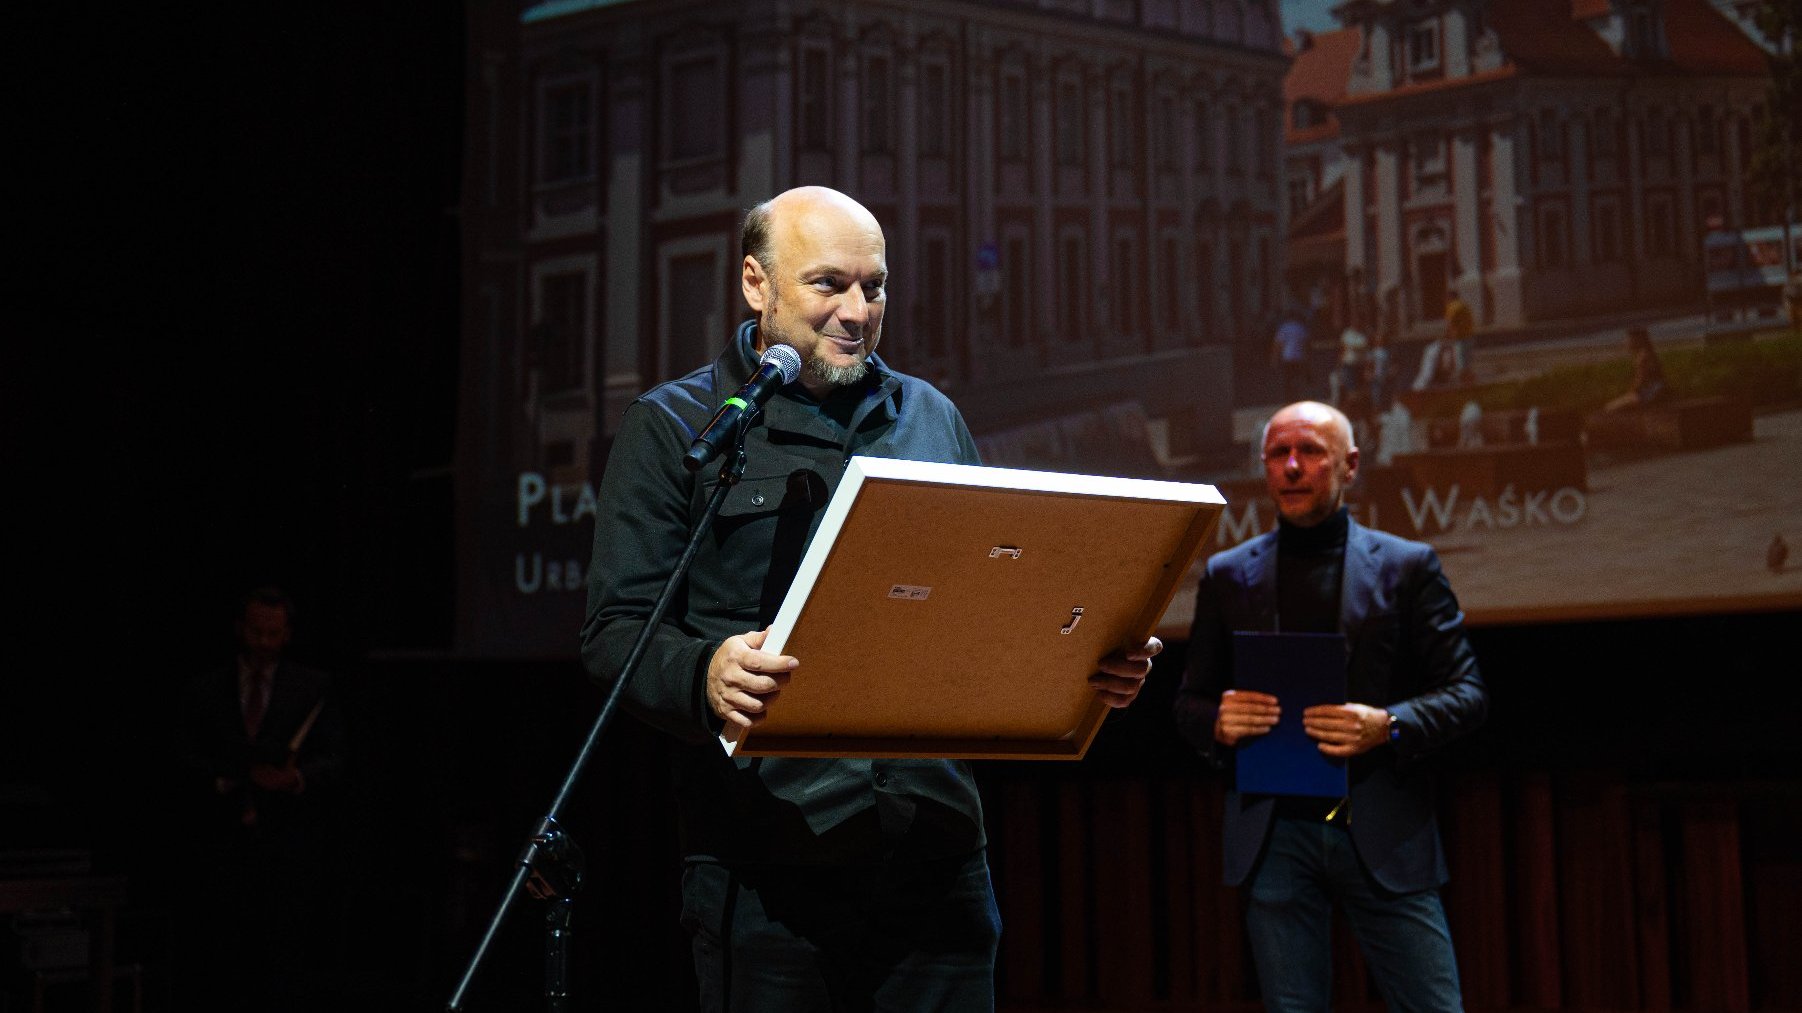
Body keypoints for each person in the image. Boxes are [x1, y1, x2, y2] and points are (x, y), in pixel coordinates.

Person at [580, 185, 1160, 1011]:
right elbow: (614, 632)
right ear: (756, 283)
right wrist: (703, 672)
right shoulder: (676, 426)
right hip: (767, 864)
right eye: (828, 284)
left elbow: (992, 608)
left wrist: (1087, 657)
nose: (857, 310)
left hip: (938, 858)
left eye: (875, 286)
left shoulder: (932, 418)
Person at [1175, 401, 1488, 1012]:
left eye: (1311, 452)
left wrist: (1390, 725)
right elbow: (1188, 703)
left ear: (1350, 466)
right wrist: (1216, 721)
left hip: (1381, 827)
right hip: (1275, 834)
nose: (1293, 467)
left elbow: (1468, 692)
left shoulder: (1407, 566)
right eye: (1278, 454)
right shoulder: (1227, 574)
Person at [177, 585, 348, 1012]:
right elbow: (183, 757)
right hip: (220, 846)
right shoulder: (206, 688)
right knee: (220, 957)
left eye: (273, 634)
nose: (264, 643)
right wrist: (227, 779)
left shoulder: (312, 687)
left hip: (286, 848)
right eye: (256, 633)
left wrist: (293, 779)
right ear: (240, 630)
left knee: (280, 961)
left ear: (287, 634)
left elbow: (334, 758)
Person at [1602, 326, 1670, 412]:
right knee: (1617, 403)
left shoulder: (1642, 358)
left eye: (1629, 338)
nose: (1626, 341)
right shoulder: (1649, 353)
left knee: (1609, 408)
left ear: (1638, 339)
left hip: (1650, 394)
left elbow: (1639, 383)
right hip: (1658, 391)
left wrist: (1628, 395)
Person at [1272, 309, 1311, 401]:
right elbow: (1306, 344)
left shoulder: (1284, 328)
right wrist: (1308, 358)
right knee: (1298, 378)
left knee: (1288, 379)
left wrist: (1274, 358)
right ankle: (1298, 397)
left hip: (1287, 357)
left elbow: (1278, 344)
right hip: (1299, 357)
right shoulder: (1301, 328)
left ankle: (1289, 398)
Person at [1443, 285, 1475, 382]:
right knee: (1467, 361)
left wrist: (1447, 336)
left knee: (1460, 361)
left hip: (1459, 337)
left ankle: (1463, 381)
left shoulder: (1451, 307)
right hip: (1469, 334)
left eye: (1446, 297)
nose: (1445, 299)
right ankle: (1469, 379)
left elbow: (1450, 323)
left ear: (1450, 297)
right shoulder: (1464, 305)